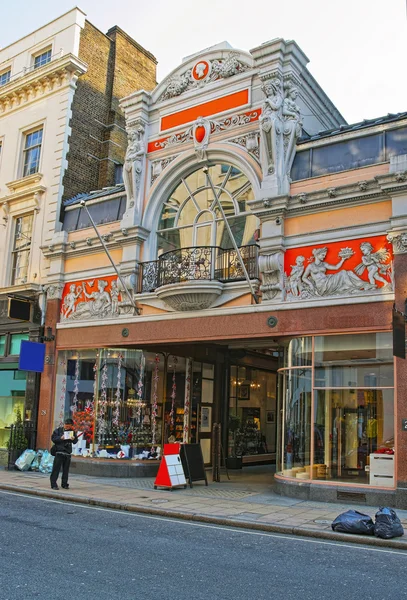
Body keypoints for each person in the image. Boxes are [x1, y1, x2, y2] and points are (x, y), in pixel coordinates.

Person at [50, 418, 78, 490]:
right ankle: (53, 484)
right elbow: (53, 438)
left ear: (71, 426)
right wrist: (60, 438)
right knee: (56, 469)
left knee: (66, 470)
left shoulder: (72, 432)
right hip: (59, 452)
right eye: (66, 425)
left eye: (69, 426)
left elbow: (75, 441)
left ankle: (64, 484)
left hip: (67, 452)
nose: (67, 427)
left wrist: (73, 438)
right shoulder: (58, 430)